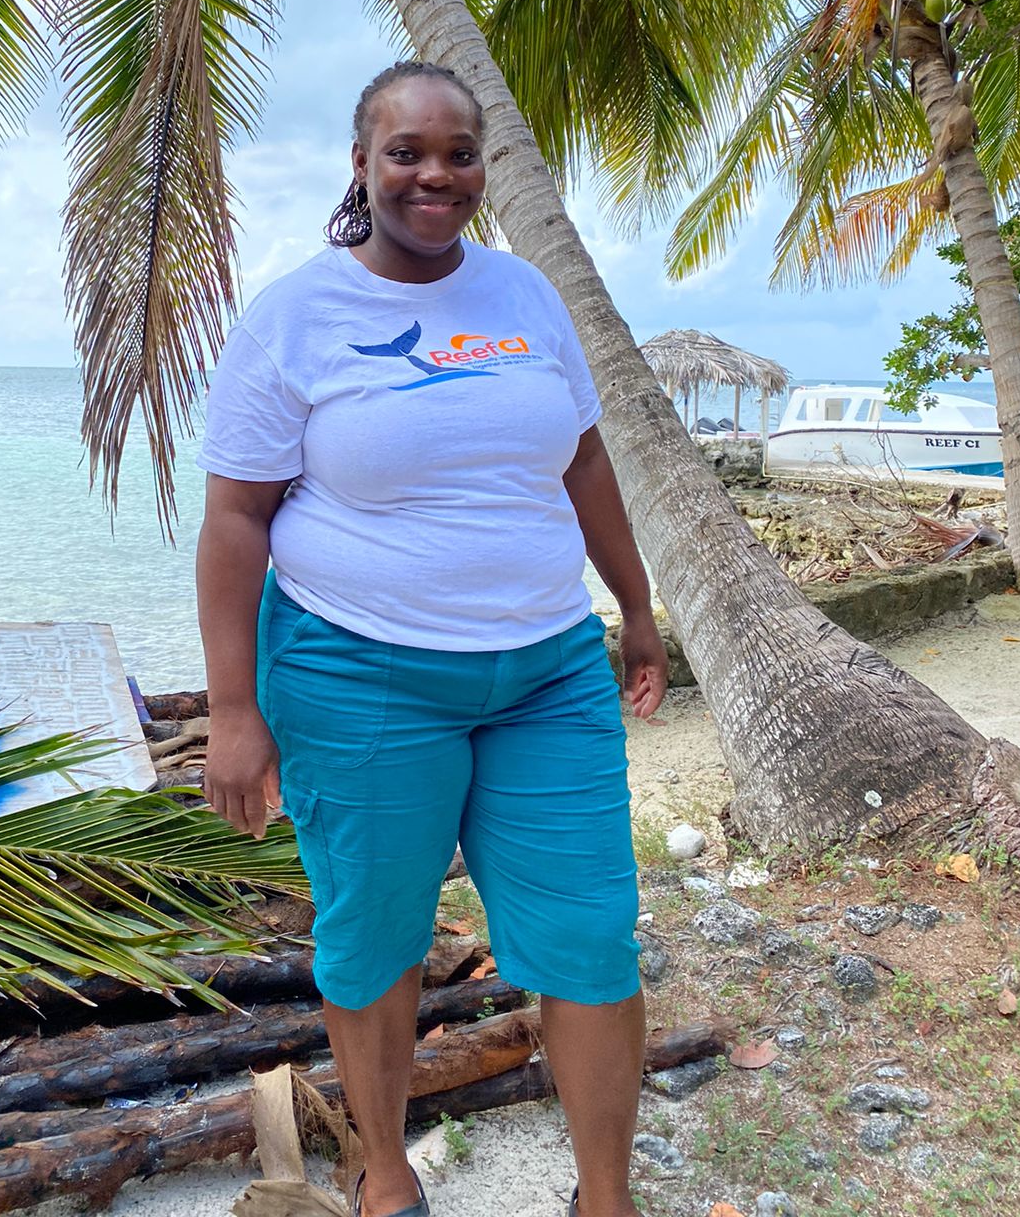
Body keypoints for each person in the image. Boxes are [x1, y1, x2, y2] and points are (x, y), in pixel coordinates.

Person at [196, 60, 669, 1217]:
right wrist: (235, 710)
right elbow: (235, 518)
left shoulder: (522, 297)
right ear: (363, 163)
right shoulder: (299, 316)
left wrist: (638, 604)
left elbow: (585, 459)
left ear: (483, 169)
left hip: (547, 670)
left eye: (460, 152)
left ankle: (605, 1199)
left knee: (592, 938)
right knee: (377, 934)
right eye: (407, 151)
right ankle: (386, 1169)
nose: (435, 173)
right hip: (359, 673)